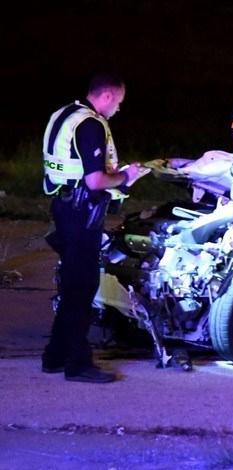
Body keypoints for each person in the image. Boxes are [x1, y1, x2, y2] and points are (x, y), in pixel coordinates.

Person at [41, 72, 145, 383]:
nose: (118, 110)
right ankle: (78, 364)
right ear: (109, 96)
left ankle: (55, 355)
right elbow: (95, 180)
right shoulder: (91, 124)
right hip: (82, 212)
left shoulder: (64, 114)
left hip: (64, 205)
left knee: (74, 284)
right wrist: (126, 178)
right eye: (120, 103)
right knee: (82, 288)